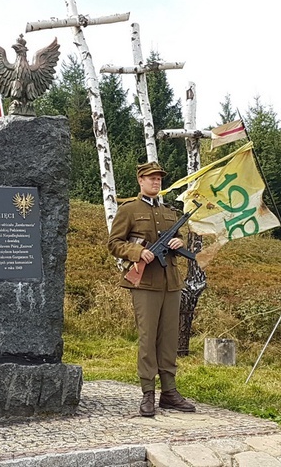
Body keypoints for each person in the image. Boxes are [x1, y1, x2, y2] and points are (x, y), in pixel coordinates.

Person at [107, 161, 195, 417]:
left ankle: (169, 392)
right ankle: (148, 392)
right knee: (148, 340)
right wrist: (138, 252)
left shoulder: (170, 212)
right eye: (151, 178)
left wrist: (179, 242)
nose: (156, 182)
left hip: (171, 283)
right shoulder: (129, 210)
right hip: (145, 283)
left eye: (159, 179)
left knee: (168, 339)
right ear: (140, 181)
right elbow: (114, 243)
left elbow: (175, 242)